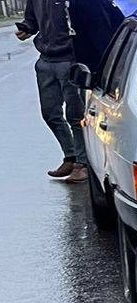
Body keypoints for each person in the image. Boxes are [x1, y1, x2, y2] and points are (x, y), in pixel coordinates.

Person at [16, 0, 122, 184]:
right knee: (50, 113)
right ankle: (70, 156)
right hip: (46, 61)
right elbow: (31, 21)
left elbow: (96, 24)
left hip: (70, 60)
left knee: (75, 115)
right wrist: (26, 28)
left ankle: (81, 164)